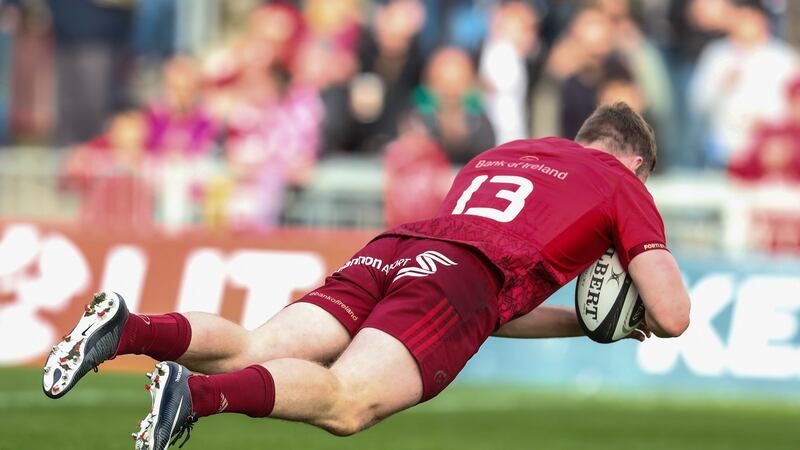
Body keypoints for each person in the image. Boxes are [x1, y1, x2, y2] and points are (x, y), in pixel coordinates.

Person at [43, 103, 691, 450]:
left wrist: (577, 323)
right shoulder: (620, 182)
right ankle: (197, 397)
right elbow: (672, 313)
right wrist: (627, 313)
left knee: (251, 346)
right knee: (349, 401)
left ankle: (130, 328)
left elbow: (490, 306)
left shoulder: (503, 154)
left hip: (400, 248)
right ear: (635, 160)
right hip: (463, 275)